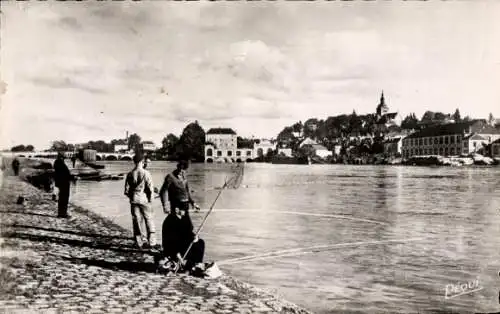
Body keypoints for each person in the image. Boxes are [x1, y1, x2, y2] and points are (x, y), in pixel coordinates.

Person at [124, 153, 157, 249]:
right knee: (149, 219)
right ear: (141, 162)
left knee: (137, 221)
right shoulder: (146, 173)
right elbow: (150, 188)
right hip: (144, 199)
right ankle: (152, 242)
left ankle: (139, 242)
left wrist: (132, 196)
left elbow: (126, 191)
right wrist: (151, 199)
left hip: (134, 200)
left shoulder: (130, 174)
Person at [162, 206, 205, 272]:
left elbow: (188, 232)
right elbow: (170, 241)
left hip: (182, 244)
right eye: (184, 209)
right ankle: (175, 262)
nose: (185, 211)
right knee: (188, 250)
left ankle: (195, 264)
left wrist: (195, 237)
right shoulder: (169, 221)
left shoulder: (185, 217)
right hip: (173, 248)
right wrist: (177, 255)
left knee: (200, 243)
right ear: (176, 209)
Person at [53, 152, 74, 218]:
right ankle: (63, 214)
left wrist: (70, 176)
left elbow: (62, 174)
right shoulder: (60, 163)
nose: (66, 156)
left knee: (62, 198)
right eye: (64, 155)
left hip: (61, 183)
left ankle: (61, 213)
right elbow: (64, 174)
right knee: (64, 198)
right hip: (64, 183)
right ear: (62, 156)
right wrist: (71, 177)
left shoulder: (58, 162)